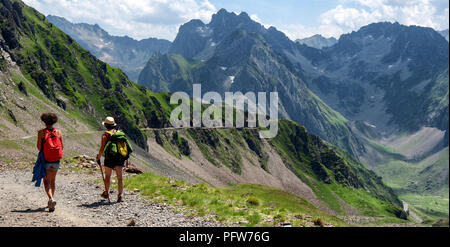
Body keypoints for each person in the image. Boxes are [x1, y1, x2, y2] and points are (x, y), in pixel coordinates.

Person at [36, 113, 63, 212]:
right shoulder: (58, 132)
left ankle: (51, 199)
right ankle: (51, 199)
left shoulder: (41, 132)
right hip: (56, 160)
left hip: (46, 160)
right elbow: (62, 147)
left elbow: (39, 148)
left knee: (46, 182)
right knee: (52, 181)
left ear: (44, 121)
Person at [96, 117, 125, 203]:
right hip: (119, 157)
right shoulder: (119, 133)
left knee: (108, 176)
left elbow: (102, 147)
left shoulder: (105, 135)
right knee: (120, 177)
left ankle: (106, 193)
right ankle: (120, 195)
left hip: (109, 158)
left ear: (105, 125)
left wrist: (98, 157)